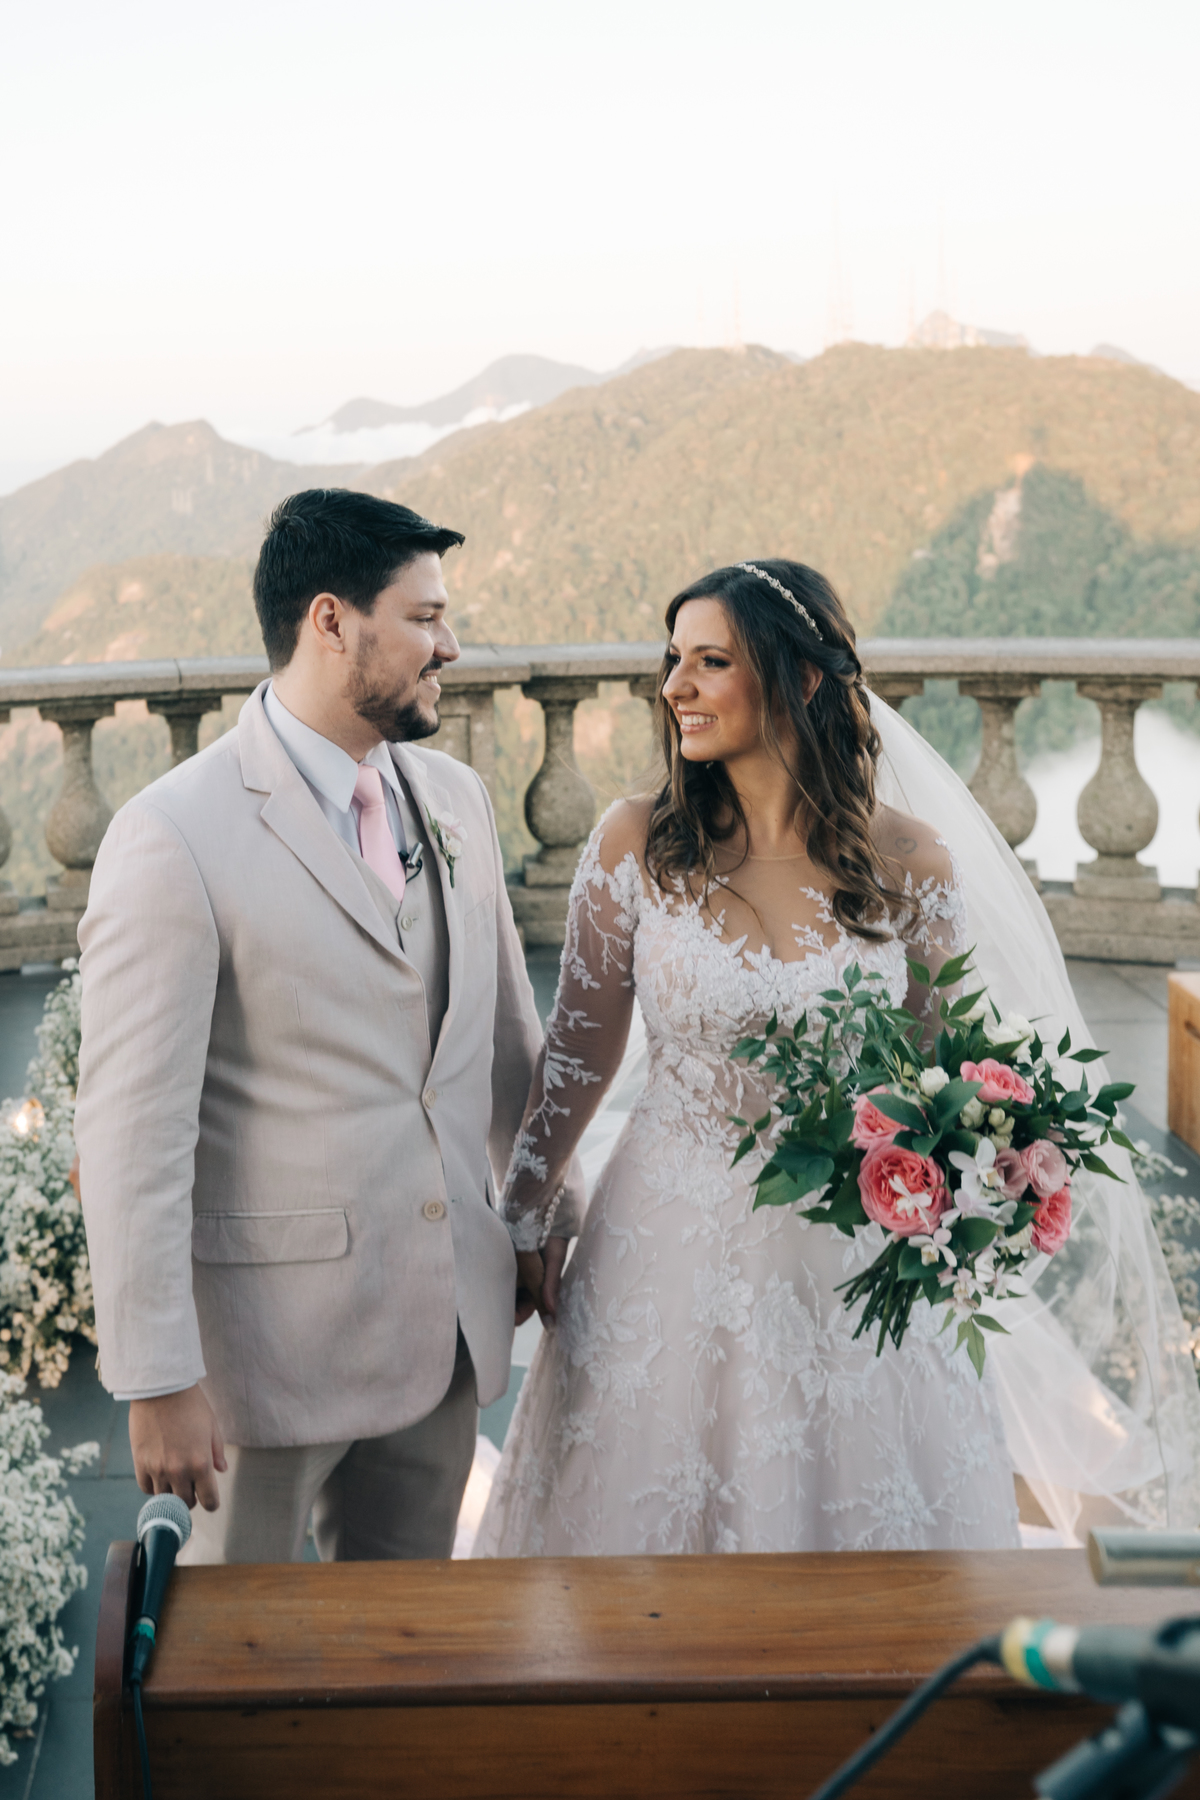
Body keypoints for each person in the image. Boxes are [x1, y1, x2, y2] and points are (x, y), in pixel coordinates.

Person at [476, 559, 1200, 1557]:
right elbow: (577, 1051)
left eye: (711, 661)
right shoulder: (636, 842)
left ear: (803, 678)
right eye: (673, 659)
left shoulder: (911, 865)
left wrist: (982, 1174)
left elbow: (942, 1074)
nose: (675, 686)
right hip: (663, 1243)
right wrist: (524, 1212)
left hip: (853, 1253)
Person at [75, 487, 580, 1563]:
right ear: (331, 622)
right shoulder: (172, 835)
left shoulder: (456, 799)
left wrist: (537, 1213)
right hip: (263, 1366)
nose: (451, 645)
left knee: (406, 1649)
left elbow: (503, 1041)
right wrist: (157, 1377)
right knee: (234, 1658)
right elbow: (131, 1134)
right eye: (425, 617)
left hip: (443, 1341)